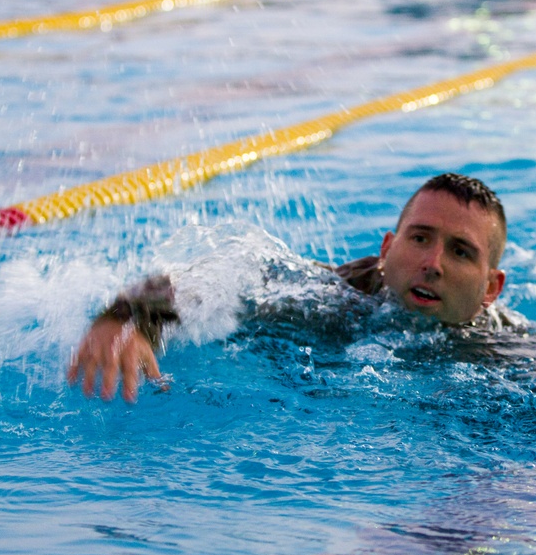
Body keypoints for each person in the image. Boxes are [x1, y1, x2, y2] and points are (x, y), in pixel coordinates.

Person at [67, 172, 510, 402]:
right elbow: (228, 273)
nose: (432, 264)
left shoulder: (506, 356)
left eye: (460, 252)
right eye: (419, 238)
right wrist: (129, 316)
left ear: (491, 288)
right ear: (387, 249)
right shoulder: (332, 299)